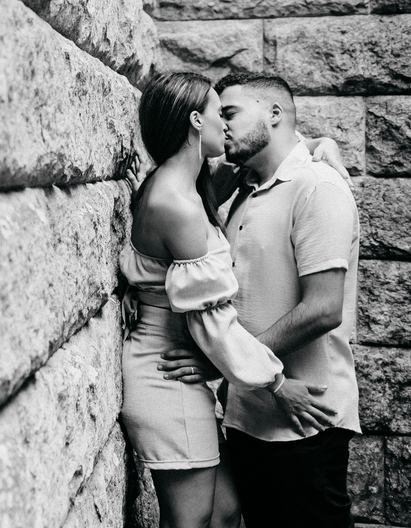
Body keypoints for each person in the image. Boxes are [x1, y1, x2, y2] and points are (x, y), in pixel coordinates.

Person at [121, 72, 342, 528]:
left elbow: (276, 146)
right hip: (166, 372)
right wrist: (277, 384)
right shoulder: (177, 204)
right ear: (196, 119)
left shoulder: (195, 184)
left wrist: (322, 146)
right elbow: (211, 323)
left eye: (231, 112)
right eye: (220, 113)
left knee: (222, 511)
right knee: (192, 521)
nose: (226, 124)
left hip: (183, 371)